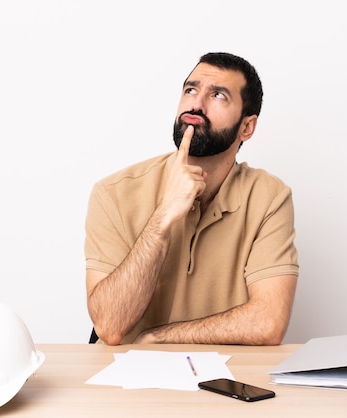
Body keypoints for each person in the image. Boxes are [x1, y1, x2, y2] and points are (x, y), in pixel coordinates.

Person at [84, 52, 299, 346]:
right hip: (127, 382)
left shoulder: (269, 197)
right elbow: (109, 326)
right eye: (191, 90)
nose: (196, 104)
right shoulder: (114, 192)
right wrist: (162, 218)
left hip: (223, 381)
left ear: (246, 127)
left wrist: (160, 336)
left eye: (219, 95)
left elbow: (268, 323)